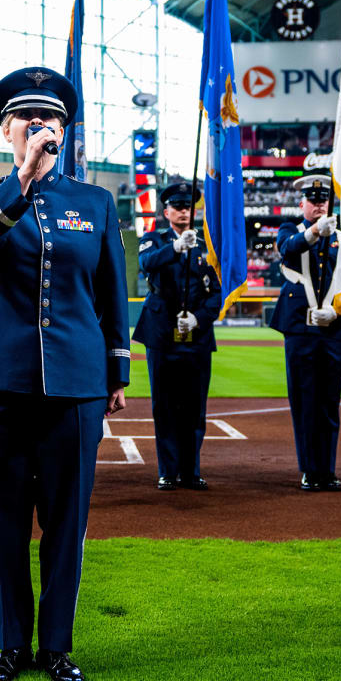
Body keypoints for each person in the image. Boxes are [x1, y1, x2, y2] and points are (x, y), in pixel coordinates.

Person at [0, 66, 129, 681]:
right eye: (28, 121)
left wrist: (117, 368)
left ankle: (56, 645)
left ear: (66, 130)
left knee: (65, 520)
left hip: (75, 384)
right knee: (1, 520)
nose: (41, 127)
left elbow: (112, 291)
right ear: (6, 132)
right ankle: (8, 646)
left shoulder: (95, 202)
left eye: (51, 120)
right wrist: (24, 176)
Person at [133, 180, 221, 491]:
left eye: (188, 207)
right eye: (178, 206)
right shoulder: (153, 239)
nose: (184, 211)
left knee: (195, 407)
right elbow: (146, 263)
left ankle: (191, 470)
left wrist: (198, 318)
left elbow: (216, 295)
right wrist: (174, 248)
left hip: (195, 337)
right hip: (162, 335)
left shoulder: (206, 248)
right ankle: (168, 471)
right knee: (165, 405)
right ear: (167, 211)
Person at [269, 173, 341, 491]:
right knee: (304, 402)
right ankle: (308, 470)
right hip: (300, 327)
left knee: (329, 403)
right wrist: (315, 231)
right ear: (302, 204)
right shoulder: (291, 229)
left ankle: (327, 469)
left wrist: (339, 310)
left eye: (323, 200)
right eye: (313, 201)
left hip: (332, 326)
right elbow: (289, 248)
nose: (319, 205)